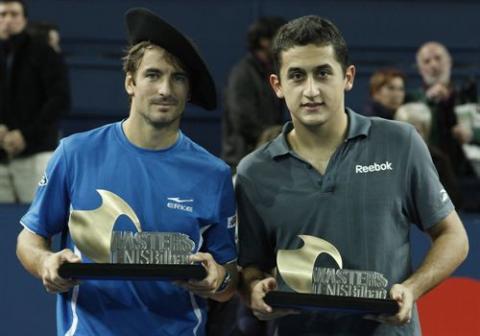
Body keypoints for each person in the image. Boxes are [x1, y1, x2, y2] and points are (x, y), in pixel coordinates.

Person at [236, 16, 469, 336]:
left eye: (322, 73)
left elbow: (453, 237)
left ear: (347, 77)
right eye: (297, 76)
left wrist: (412, 289)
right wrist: (253, 288)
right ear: (278, 85)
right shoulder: (253, 172)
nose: (311, 90)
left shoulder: (400, 143)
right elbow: (249, 265)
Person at [16, 8, 237, 336]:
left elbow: (229, 279)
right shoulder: (76, 153)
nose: (165, 89)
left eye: (178, 78)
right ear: (130, 82)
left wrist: (218, 278)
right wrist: (45, 263)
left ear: (189, 91)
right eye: (153, 75)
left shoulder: (214, 174)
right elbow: (30, 238)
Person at [0, 0, 70, 203]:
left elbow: (60, 100)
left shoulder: (44, 52)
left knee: (40, 225)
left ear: (24, 19)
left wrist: (25, 135)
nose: (8, 20)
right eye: (3, 14)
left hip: (36, 154)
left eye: (14, 14)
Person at [222, 16, 286, 168]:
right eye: (280, 40)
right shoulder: (242, 73)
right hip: (240, 162)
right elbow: (242, 120)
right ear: (264, 41)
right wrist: (273, 138)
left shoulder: (272, 72)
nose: (284, 46)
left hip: (263, 159)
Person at [411, 41, 477, 177]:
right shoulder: (411, 100)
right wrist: (429, 102)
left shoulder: (469, 96)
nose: (434, 65)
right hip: (429, 173)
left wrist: (471, 135)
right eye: (426, 61)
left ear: (449, 62)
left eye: (438, 58)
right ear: (419, 69)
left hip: (469, 176)